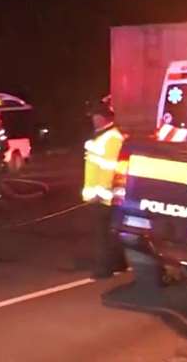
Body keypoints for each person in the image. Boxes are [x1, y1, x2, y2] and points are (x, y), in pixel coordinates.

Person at [82, 100, 127, 278]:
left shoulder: (112, 138)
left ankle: (103, 270)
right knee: (110, 233)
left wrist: (100, 194)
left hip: (103, 196)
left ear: (101, 117)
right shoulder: (103, 136)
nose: (93, 120)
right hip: (101, 194)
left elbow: (109, 168)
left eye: (94, 116)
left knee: (102, 236)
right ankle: (118, 264)